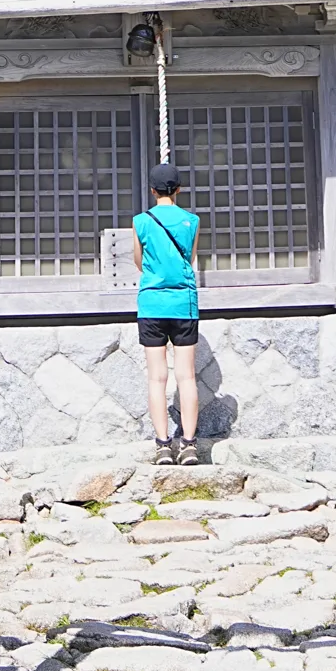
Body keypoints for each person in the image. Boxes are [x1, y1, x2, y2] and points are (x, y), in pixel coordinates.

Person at [131, 164, 201, 464]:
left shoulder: (141, 221)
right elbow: (192, 258)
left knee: (157, 378)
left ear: (152, 190)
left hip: (152, 303)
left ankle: (162, 444)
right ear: (179, 189)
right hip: (183, 302)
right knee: (186, 376)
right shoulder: (191, 221)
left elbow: (138, 261)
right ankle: (188, 444)